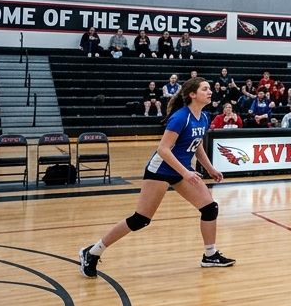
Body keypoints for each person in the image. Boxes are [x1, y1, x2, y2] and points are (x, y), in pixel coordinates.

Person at [79, 77, 234, 277]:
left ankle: (210, 255)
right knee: (140, 219)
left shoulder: (203, 117)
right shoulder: (180, 117)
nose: (210, 91)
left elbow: (197, 146)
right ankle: (91, 252)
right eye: (205, 89)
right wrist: (185, 172)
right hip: (160, 171)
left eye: (209, 88)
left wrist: (210, 168)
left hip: (181, 172)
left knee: (210, 208)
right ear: (192, 95)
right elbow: (163, 149)